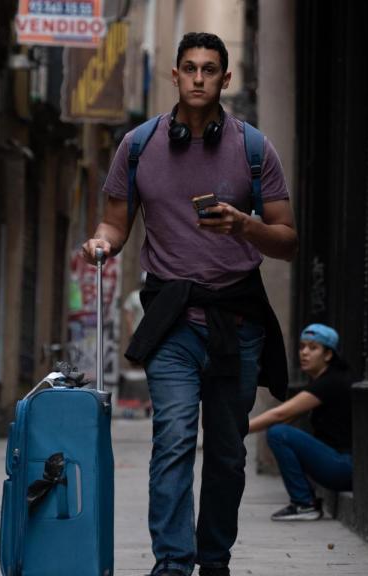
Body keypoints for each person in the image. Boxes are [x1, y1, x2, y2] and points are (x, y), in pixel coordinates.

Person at [80, 32, 297, 576]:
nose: (199, 78)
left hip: (238, 324)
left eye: (210, 69)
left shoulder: (254, 149)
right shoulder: (137, 146)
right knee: (173, 440)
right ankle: (173, 564)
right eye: (190, 68)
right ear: (174, 76)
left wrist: (245, 226)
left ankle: (214, 559)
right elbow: (115, 220)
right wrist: (102, 242)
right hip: (172, 321)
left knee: (226, 453)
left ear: (226, 79)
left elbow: (288, 240)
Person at [248, 323, 353, 521]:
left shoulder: (331, 382)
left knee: (278, 433)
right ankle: (304, 501)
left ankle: (304, 503)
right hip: (339, 464)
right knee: (280, 431)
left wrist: (233, 430)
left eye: (313, 348)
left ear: (328, 355)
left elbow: (279, 414)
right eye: (302, 346)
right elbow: (288, 416)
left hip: (343, 467)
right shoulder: (324, 380)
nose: (304, 353)